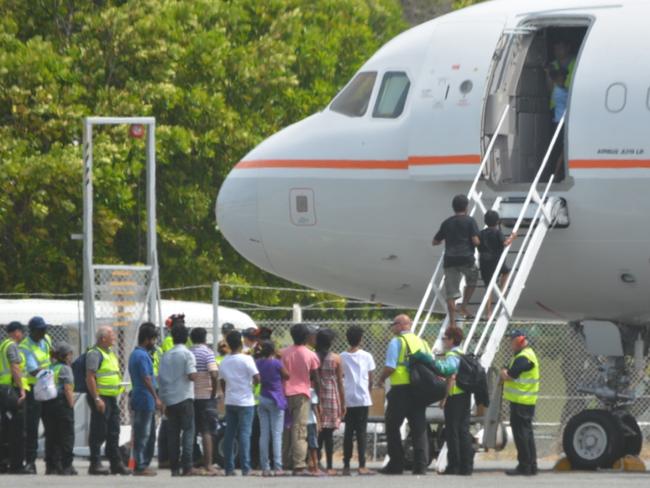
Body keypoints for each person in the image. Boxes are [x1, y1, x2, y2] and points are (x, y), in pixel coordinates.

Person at [377, 314, 431, 475]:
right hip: (419, 391)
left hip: (400, 390)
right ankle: (421, 465)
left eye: (394, 324)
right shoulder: (423, 342)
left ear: (401, 325)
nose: (392, 327)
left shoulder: (397, 342)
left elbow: (391, 366)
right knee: (419, 427)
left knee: (392, 426)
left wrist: (381, 379)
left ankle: (396, 464)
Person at [86, 326, 131, 475]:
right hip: (101, 397)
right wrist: (97, 398)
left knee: (114, 431)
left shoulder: (110, 353)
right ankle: (95, 463)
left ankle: (115, 463)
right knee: (99, 431)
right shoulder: (95, 354)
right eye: (111, 335)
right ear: (102, 338)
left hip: (111, 398)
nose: (114, 337)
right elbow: (90, 377)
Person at [433, 195, 481, 328]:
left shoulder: (447, 223)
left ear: (453, 208)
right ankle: (464, 306)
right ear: (466, 207)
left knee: (451, 293)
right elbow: (476, 241)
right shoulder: (470, 221)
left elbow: (435, 241)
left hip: (450, 260)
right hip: (466, 259)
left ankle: (452, 323)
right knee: (472, 279)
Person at [431, 327, 473, 475]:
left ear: (451, 340)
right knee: (463, 430)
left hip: (455, 397)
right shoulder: (463, 353)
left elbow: (450, 374)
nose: (444, 341)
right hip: (465, 396)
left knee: (452, 432)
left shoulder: (452, 355)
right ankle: (466, 466)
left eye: (445, 338)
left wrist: (444, 398)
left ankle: (454, 465)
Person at [159, 324, 199, 477]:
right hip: (184, 397)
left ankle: (174, 468)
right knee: (188, 431)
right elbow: (191, 375)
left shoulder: (166, 355)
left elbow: (161, 379)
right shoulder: (187, 354)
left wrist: (163, 399)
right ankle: (187, 466)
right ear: (186, 338)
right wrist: (197, 374)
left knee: (173, 434)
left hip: (169, 399)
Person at [281, 323, 320, 475]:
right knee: (300, 429)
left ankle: (284, 461)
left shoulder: (284, 353)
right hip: (302, 394)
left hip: (284, 394)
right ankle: (298, 464)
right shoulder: (310, 354)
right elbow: (315, 377)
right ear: (305, 337)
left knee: (286, 429)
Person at [219, 330, 260, 476]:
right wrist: (252, 386)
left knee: (230, 435)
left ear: (228, 344)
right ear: (241, 342)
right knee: (244, 434)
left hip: (231, 401)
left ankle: (229, 468)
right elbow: (257, 378)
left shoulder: (224, 361)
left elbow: (222, 382)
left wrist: (227, 393)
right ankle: (245, 467)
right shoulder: (247, 359)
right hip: (246, 401)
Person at [500, 329, 540, 476]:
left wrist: (504, 372)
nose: (510, 343)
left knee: (521, 434)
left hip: (521, 401)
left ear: (519, 341)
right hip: (524, 401)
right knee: (527, 434)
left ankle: (524, 466)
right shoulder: (524, 356)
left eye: (512, 340)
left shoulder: (524, 357)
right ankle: (531, 465)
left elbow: (509, 375)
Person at [340, 325, 376, 476]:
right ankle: (362, 465)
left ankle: (346, 465)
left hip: (348, 398)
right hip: (362, 398)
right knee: (361, 432)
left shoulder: (341, 356)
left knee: (348, 432)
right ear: (360, 339)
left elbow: (341, 375)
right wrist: (368, 392)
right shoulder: (366, 356)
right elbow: (371, 378)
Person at [19, 316, 52, 474]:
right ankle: (30, 462)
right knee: (32, 428)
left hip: (48, 386)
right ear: (32, 331)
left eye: (44, 329)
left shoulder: (46, 341)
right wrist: (51, 372)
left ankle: (51, 463)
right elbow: (32, 369)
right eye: (40, 330)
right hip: (33, 389)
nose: (43, 332)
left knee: (51, 425)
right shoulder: (26, 346)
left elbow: (51, 358)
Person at [128, 322, 162, 476]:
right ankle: (140, 465)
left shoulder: (139, 354)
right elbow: (146, 378)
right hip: (144, 398)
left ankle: (144, 464)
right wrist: (156, 398)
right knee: (143, 434)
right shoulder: (141, 355)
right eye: (153, 339)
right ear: (147, 339)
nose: (154, 343)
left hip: (145, 399)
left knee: (148, 434)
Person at [255, 340, 289, 476]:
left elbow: (257, 379)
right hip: (276, 399)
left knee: (264, 434)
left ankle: (265, 467)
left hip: (262, 397)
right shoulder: (276, 363)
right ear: (273, 350)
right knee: (276, 434)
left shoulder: (258, 363)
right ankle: (278, 466)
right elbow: (287, 375)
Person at [42, 341, 76, 475]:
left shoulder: (50, 368)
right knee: (67, 435)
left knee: (51, 436)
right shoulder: (65, 369)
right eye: (70, 354)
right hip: (62, 404)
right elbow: (68, 388)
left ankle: (51, 465)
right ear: (65, 355)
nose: (71, 356)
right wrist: (71, 404)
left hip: (48, 404)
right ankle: (66, 465)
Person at [189, 327, 219, 475]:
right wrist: (214, 391)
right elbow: (213, 373)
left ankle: (193, 461)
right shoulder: (207, 352)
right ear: (205, 338)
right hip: (206, 397)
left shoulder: (189, 352)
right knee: (207, 431)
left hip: (191, 397)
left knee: (192, 431)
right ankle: (208, 465)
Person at [0, 321, 28, 474]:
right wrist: (22, 389)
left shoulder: (3, 345)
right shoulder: (12, 346)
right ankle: (17, 465)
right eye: (22, 332)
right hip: (11, 389)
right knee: (17, 428)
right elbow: (15, 367)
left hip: (3, 390)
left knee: (5, 426)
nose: (22, 336)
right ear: (17, 332)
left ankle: (3, 462)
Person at [158, 313, 186, 468]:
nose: (182, 325)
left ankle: (168, 457)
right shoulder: (170, 342)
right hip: (172, 386)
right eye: (180, 323)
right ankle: (164, 457)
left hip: (176, 385)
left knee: (171, 423)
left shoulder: (182, 341)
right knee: (168, 423)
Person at [316, 329, 345, 475]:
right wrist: (343, 403)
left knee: (318, 433)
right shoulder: (336, 358)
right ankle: (330, 466)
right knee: (328, 434)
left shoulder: (313, 357)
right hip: (331, 396)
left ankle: (316, 462)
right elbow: (340, 381)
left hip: (316, 397)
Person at [478, 210, 515, 319]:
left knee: (488, 287)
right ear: (497, 221)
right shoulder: (497, 232)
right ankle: (501, 290)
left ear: (485, 221)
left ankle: (488, 313)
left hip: (484, 262)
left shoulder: (481, 233)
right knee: (506, 272)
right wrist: (512, 237)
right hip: (496, 261)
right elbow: (505, 243)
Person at [306, 386, 322, 476]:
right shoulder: (312, 391)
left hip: (302, 420)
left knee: (307, 445)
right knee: (313, 446)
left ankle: (310, 465)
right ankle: (315, 467)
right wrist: (319, 422)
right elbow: (314, 408)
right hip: (311, 421)